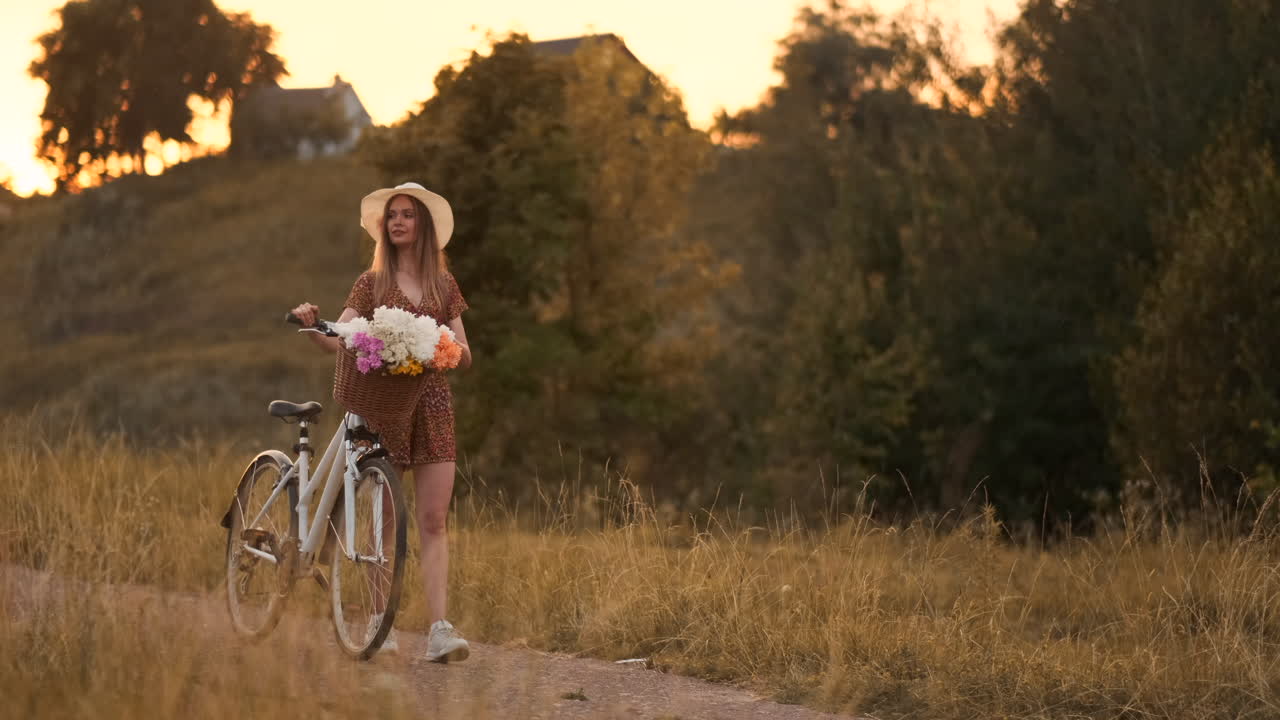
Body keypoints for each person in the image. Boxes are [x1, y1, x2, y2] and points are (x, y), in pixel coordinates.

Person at [291, 182, 472, 663]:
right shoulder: (369, 284)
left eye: (407, 214)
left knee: (434, 519)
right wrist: (315, 325)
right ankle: (379, 620)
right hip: (383, 407)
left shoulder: (444, 286)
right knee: (384, 517)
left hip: (431, 404)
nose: (398, 222)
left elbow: (465, 352)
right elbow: (340, 338)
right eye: (392, 215)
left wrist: (434, 347)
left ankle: (439, 629)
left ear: (422, 224)